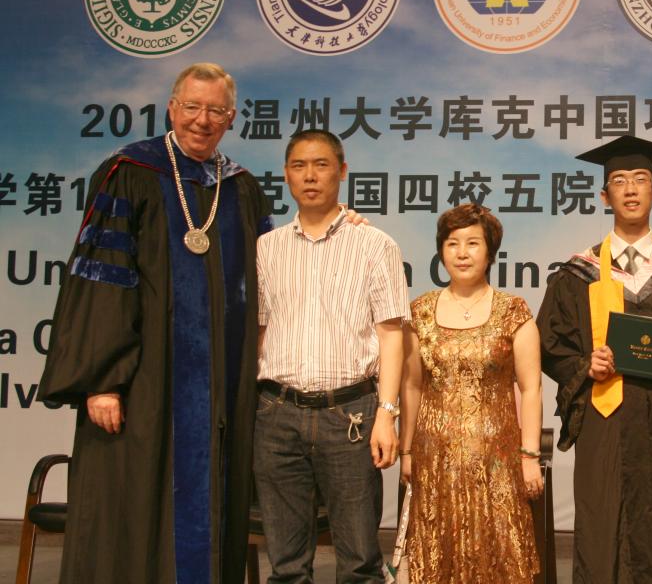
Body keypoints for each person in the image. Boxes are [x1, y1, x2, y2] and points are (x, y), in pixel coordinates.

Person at [38, 63, 272, 583]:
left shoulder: (241, 188)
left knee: (212, 512)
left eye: (215, 111)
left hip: (220, 393)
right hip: (141, 382)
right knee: (133, 513)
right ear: (171, 108)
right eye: (192, 107)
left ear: (231, 118)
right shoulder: (131, 174)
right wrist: (103, 381)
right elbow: (100, 281)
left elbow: (274, 275)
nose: (202, 120)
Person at [537, 135, 652, 584]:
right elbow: (550, 344)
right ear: (604, 196)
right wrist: (586, 365)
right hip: (609, 420)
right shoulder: (578, 273)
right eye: (619, 180)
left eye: (640, 179)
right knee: (606, 527)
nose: (630, 189)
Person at [254, 129, 409, 583]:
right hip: (277, 413)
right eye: (299, 166)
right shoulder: (267, 247)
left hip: (350, 414)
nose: (310, 176)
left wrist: (387, 414)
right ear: (286, 175)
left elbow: (392, 337)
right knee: (285, 564)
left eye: (321, 165)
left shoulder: (375, 244)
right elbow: (259, 331)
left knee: (359, 561)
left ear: (341, 172)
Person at [398, 203, 544, 582]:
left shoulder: (513, 312)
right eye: (452, 244)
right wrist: (407, 451)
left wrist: (529, 455)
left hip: (498, 463)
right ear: (441, 251)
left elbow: (531, 388)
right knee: (437, 558)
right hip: (435, 462)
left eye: (473, 243)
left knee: (499, 558)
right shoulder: (420, 312)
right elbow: (411, 385)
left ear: (490, 252)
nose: (462, 253)